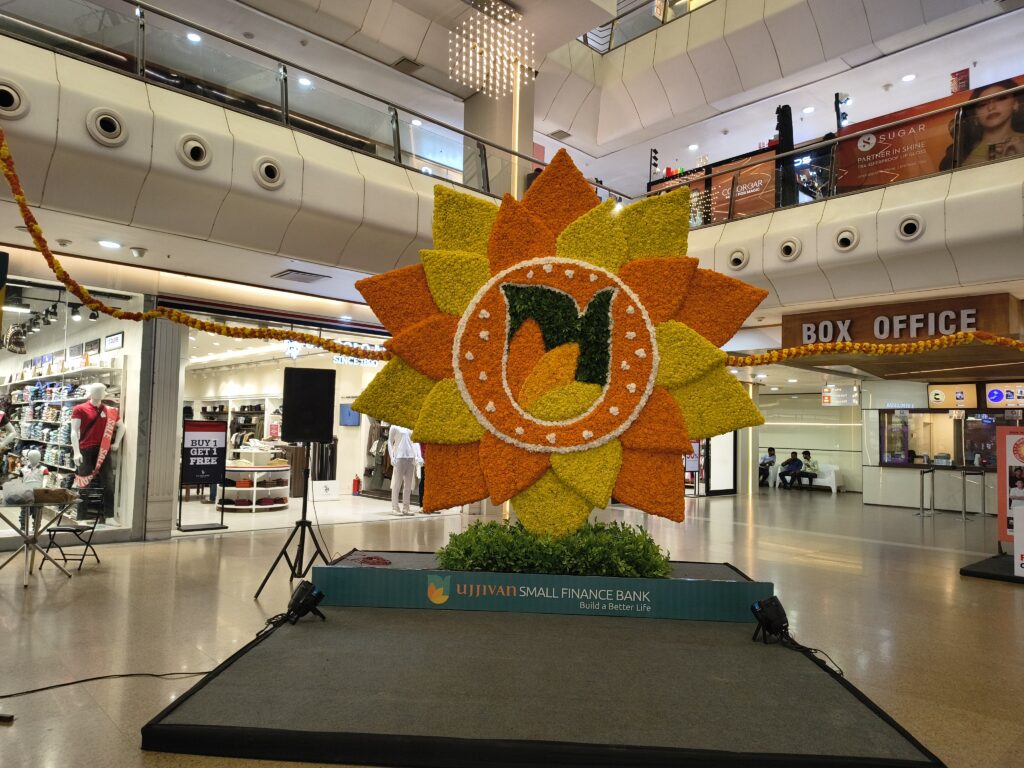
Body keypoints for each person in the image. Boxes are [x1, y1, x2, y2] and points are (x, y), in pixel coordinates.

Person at [942, 80, 1024, 169]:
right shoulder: (959, 152)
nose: (991, 107)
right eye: (982, 104)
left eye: (1000, 98)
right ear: (975, 116)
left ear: (1015, 104)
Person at [387, 424, 422, 517]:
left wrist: (418, 456)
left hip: (410, 457)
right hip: (399, 457)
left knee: (408, 485)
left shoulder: (410, 427)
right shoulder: (394, 426)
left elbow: (415, 442)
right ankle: (395, 507)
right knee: (397, 484)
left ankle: (406, 507)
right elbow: (389, 441)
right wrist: (392, 457)